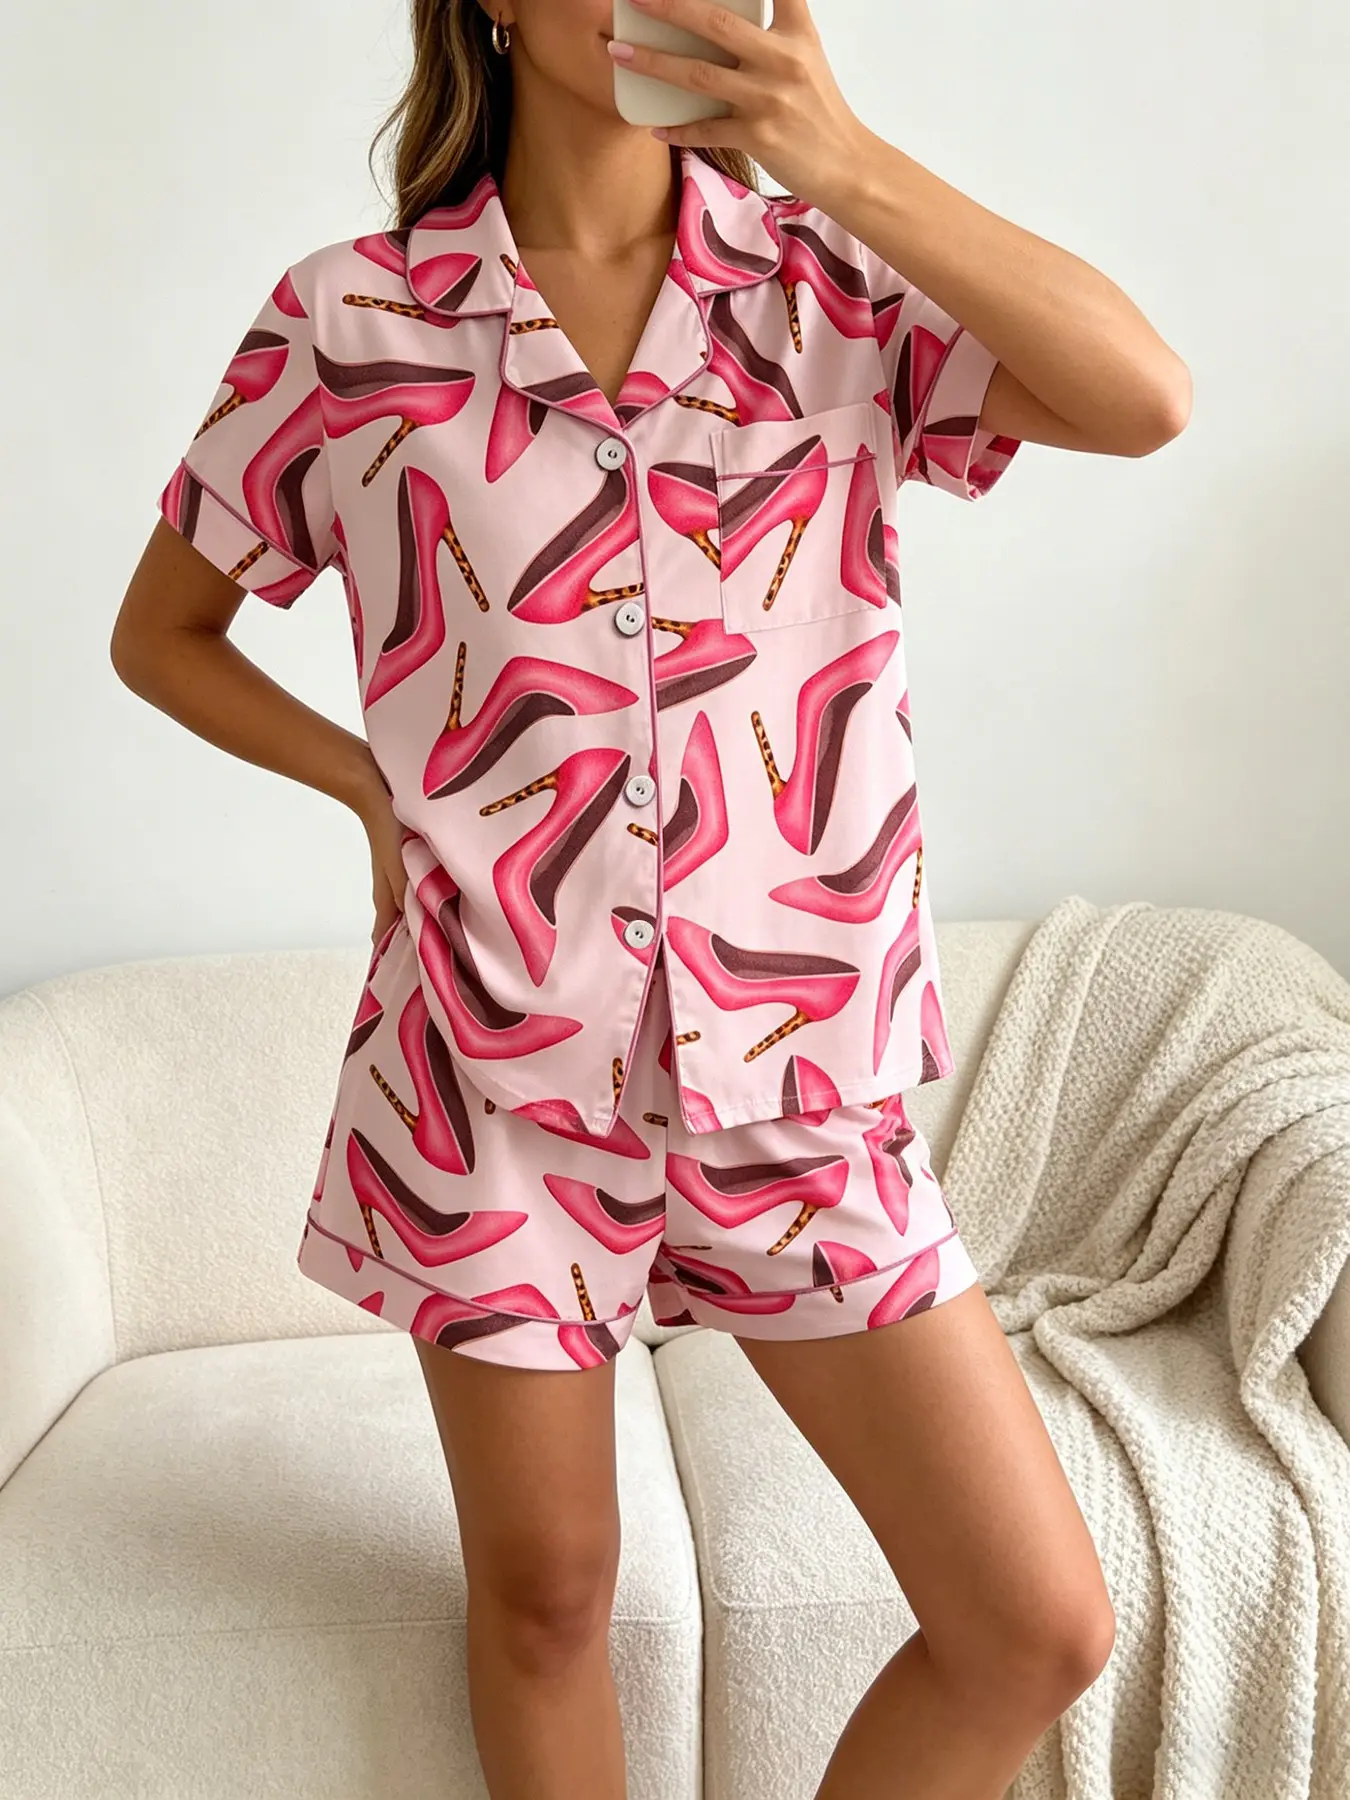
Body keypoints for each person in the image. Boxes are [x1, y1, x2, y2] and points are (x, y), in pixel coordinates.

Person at [111, 2, 1190, 1795]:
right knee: (548, 1597)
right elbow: (164, 635)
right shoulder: (350, 322)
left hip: (799, 1066)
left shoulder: (829, 288)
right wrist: (370, 790)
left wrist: (841, 161)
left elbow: (1142, 399)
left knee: (1030, 1623)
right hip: (485, 1065)